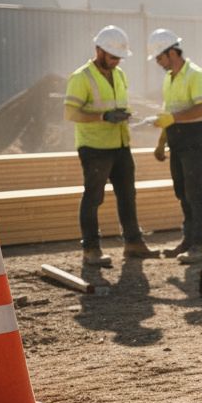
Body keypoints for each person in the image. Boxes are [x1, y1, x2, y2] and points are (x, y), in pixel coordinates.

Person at [63, 25, 158, 267]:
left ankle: (133, 243)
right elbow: (71, 113)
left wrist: (123, 115)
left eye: (119, 58)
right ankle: (91, 249)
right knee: (93, 197)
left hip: (120, 144)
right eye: (113, 57)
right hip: (94, 147)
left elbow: (116, 103)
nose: (116, 62)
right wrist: (103, 117)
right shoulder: (80, 77)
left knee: (128, 195)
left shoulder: (119, 75)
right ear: (99, 50)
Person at [146, 29, 202, 265]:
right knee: (183, 192)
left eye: (159, 57)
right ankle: (190, 240)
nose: (157, 62)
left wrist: (173, 119)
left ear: (172, 52)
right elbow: (169, 113)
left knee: (196, 193)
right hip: (178, 140)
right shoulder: (169, 78)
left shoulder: (195, 75)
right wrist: (161, 141)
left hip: (196, 139)